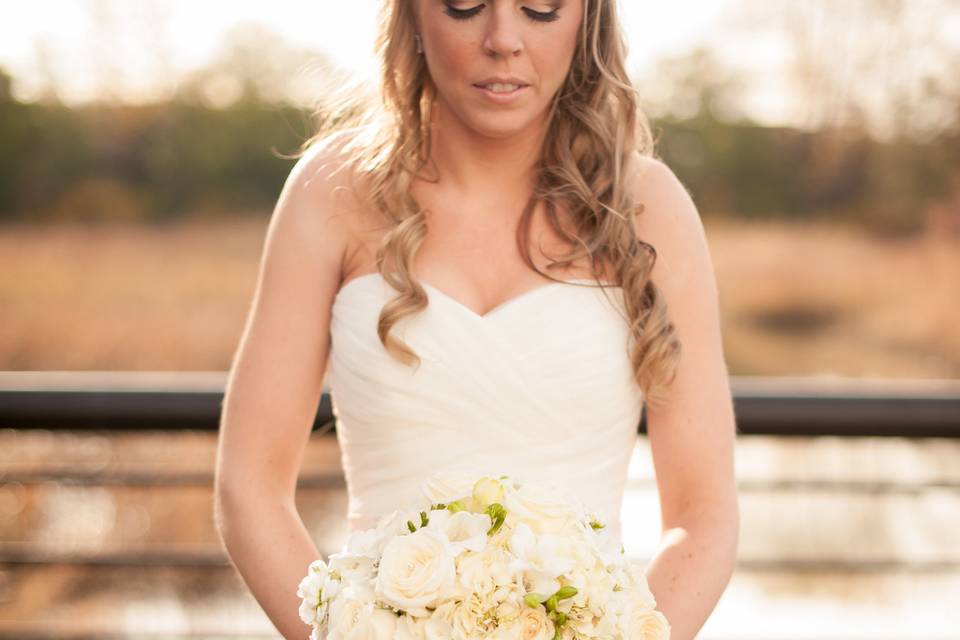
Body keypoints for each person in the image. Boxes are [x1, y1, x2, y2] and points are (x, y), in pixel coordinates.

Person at [213, 1, 739, 639]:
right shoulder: (330, 191)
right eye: (465, 5)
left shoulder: (650, 209)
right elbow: (249, 488)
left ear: (587, 20)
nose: (503, 40)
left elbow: (704, 513)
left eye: (540, 8)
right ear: (412, 15)